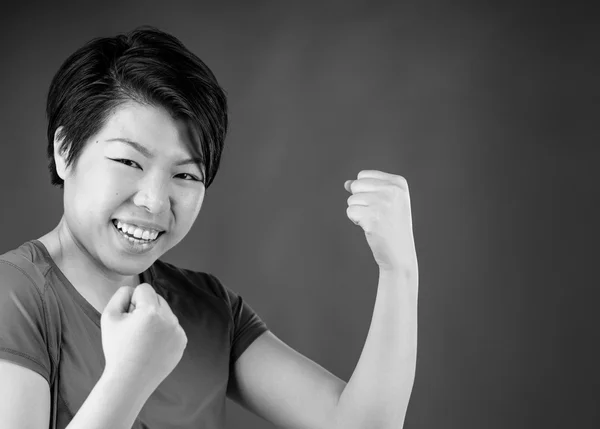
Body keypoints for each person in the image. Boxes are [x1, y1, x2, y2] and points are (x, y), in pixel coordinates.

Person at [0, 26, 419, 429]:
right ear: (64, 151)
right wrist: (130, 377)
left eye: (185, 176)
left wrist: (399, 269)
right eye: (129, 162)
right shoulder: (14, 296)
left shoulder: (208, 308)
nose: (155, 200)